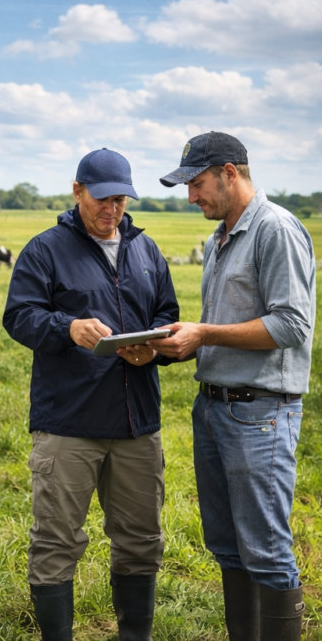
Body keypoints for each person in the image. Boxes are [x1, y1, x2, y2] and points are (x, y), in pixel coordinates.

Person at [3, 148, 180, 641]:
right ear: (77, 191)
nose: (112, 209)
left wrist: (156, 349)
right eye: (102, 198)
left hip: (136, 423)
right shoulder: (45, 249)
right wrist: (68, 326)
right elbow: (19, 316)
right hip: (69, 425)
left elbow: (167, 314)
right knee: (56, 541)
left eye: (121, 199)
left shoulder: (146, 251)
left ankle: (135, 635)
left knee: (141, 540)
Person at [148, 131, 315, 640]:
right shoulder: (217, 239)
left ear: (230, 172)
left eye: (197, 184)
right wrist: (179, 343)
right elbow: (227, 326)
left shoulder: (275, 230)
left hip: (259, 414)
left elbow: (291, 325)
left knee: (265, 549)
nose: (191, 197)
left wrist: (205, 332)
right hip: (214, 408)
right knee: (227, 546)